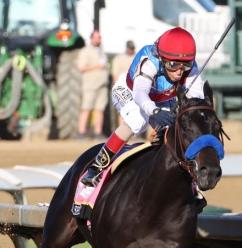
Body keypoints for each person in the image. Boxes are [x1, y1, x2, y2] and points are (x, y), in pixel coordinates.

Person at [81, 27, 206, 186]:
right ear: (161, 59)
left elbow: (196, 97)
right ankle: (96, 167)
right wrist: (154, 111)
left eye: (186, 65)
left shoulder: (190, 67)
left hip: (161, 97)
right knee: (137, 121)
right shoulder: (149, 62)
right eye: (173, 65)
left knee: (177, 125)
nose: (180, 72)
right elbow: (140, 94)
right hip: (130, 91)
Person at [76, 30, 108, 140]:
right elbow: (81, 67)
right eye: (96, 37)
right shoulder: (85, 51)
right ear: (91, 38)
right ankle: (81, 132)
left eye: (99, 37)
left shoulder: (101, 51)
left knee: (99, 109)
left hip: (102, 85)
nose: (98, 39)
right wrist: (97, 66)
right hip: (90, 85)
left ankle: (97, 133)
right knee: (86, 108)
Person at [111, 40, 137, 127]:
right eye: (130, 48)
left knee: (134, 111)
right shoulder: (118, 59)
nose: (131, 50)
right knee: (123, 111)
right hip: (122, 88)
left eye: (132, 48)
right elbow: (115, 74)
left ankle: (132, 132)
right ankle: (121, 132)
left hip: (134, 88)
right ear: (126, 48)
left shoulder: (137, 57)